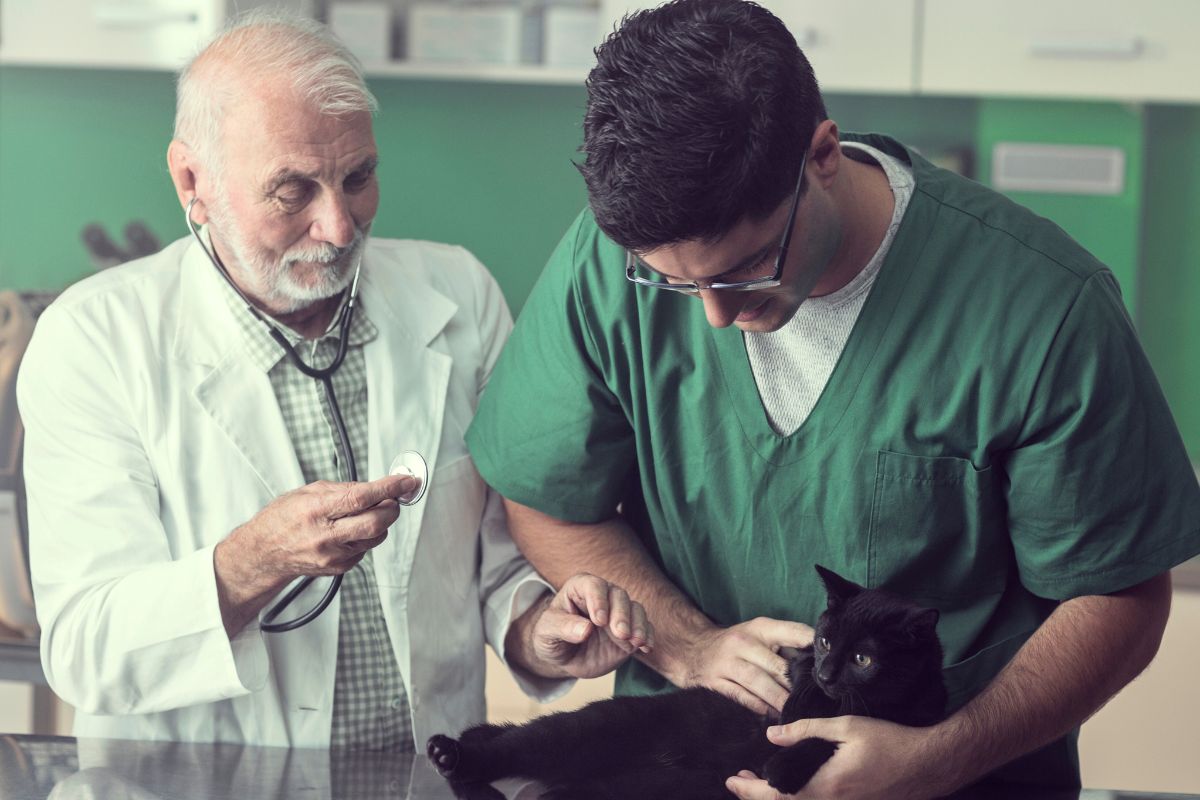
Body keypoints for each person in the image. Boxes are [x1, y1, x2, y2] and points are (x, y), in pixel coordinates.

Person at [464, 0, 1200, 796]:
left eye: (745, 266)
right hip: (676, 767)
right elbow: (544, 498)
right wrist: (687, 646)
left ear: (822, 155)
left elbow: (1118, 597)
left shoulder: (1043, 309)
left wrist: (940, 757)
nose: (715, 314)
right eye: (676, 284)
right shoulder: (608, 264)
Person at [16, 11, 651, 751]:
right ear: (193, 180)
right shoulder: (93, 340)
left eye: (358, 177)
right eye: (292, 192)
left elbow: (497, 559)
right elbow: (86, 648)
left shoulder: (459, 297)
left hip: (428, 773)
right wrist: (255, 561)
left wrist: (537, 630)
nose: (341, 227)